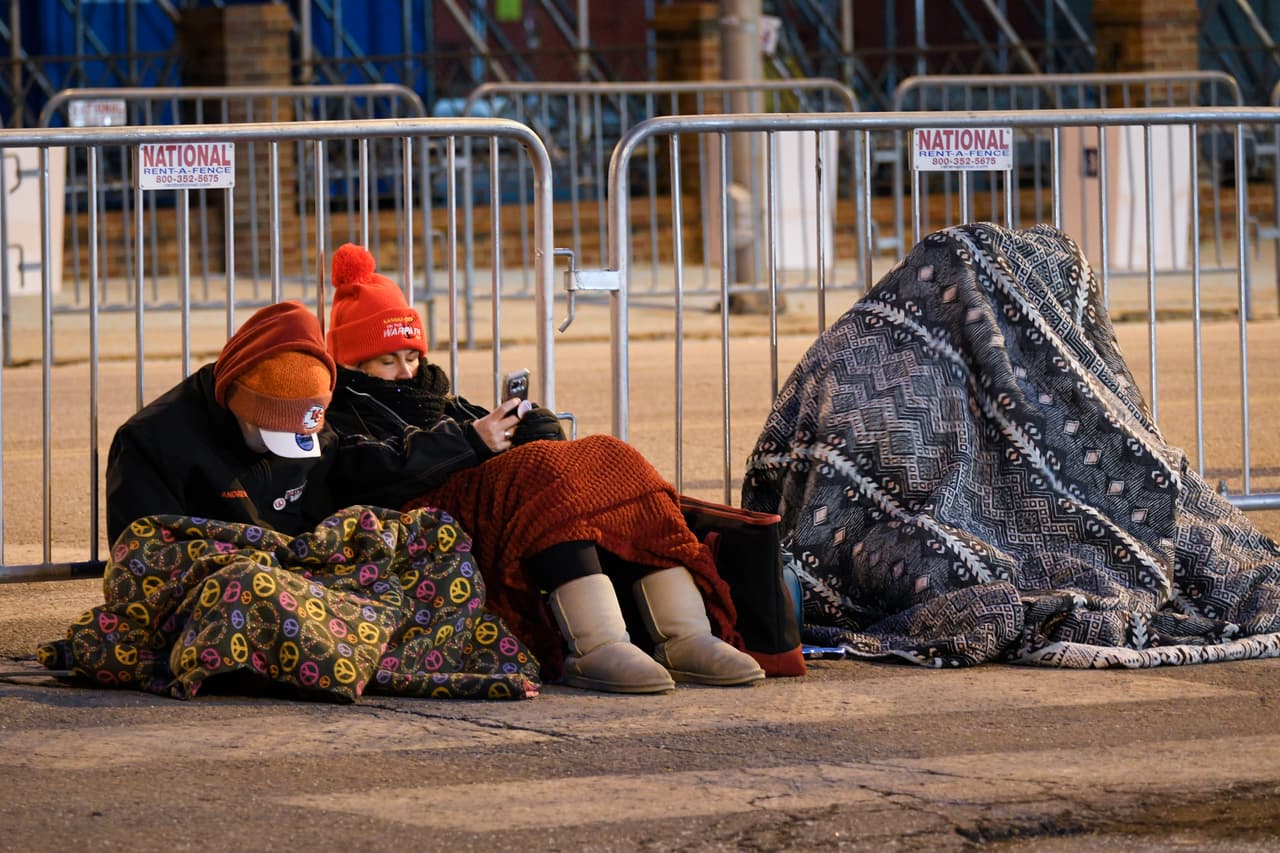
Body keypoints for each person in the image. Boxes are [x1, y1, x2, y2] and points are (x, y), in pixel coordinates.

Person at [322, 242, 766, 694]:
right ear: (352, 362)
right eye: (387, 360)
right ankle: (596, 643)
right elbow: (368, 471)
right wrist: (474, 442)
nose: (406, 371)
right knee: (538, 476)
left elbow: (506, 432)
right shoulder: (338, 411)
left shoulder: (436, 396)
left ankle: (686, 634)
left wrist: (531, 425)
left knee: (610, 457)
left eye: (412, 356)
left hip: (485, 506)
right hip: (419, 523)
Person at [105, 300, 339, 543]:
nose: (275, 447)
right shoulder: (151, 443)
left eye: (297, 436)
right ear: (237, 403)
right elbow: (142, 552)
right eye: (272, 431)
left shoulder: (319, 440)